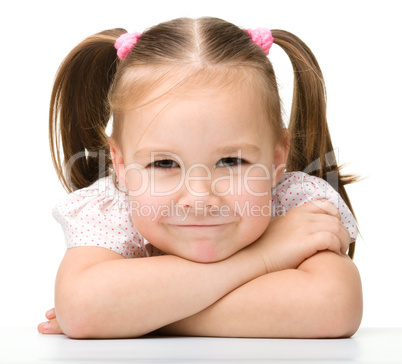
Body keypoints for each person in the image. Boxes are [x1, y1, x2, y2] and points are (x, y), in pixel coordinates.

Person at [38, 17, 362, 339]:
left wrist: (137, 314)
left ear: (277, 159)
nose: (199, 197)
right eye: (164, 163)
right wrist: (263, 257)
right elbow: (83, 309)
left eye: (231, 161)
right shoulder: (116, 211)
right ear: (120, 166)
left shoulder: (295, 207)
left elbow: (333, 306)